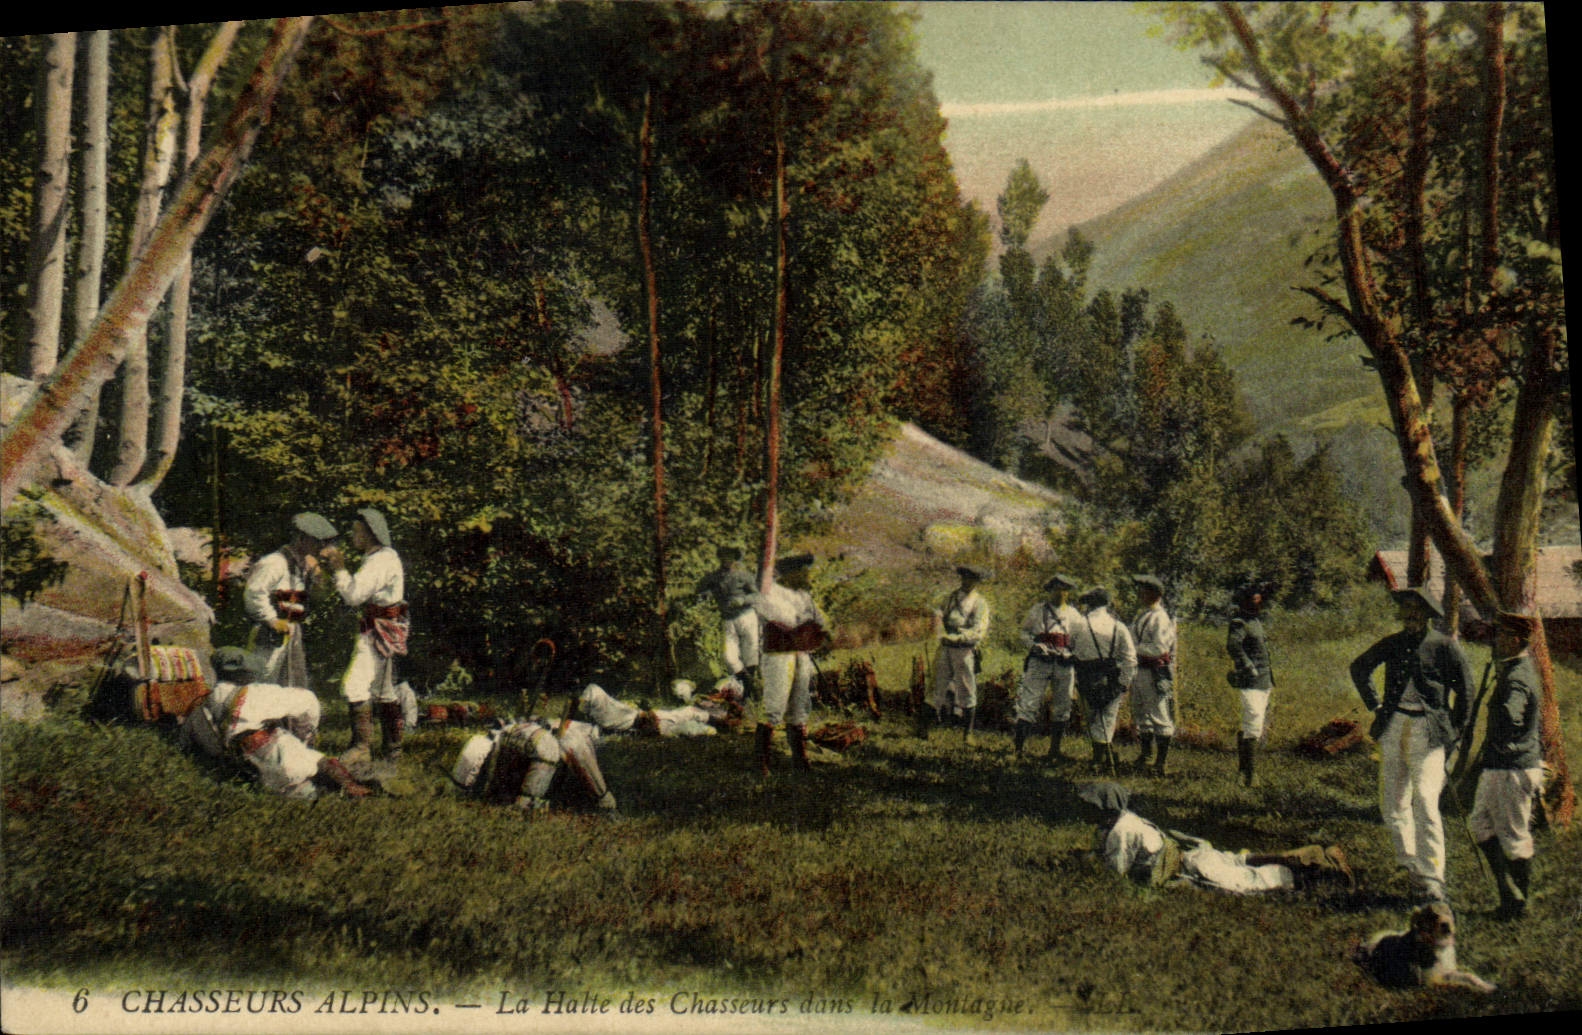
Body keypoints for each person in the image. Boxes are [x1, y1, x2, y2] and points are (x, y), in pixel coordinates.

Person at [1349, 586, 1473, 904]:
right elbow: (1359, 667)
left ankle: (1432, 878)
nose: (1410, 616)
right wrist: (1375, 705)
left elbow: (1467, 696)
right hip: (1393, 726)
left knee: (1427, 803)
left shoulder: (1445, 647)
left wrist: (1452, 734)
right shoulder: (1393, 643)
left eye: (1416, 611)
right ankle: (1410, 866)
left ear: (1429, 615)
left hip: (1428, 732)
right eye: (1405, 611)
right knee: (1392, 802)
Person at [1074, 781, 1353, 894]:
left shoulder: (1121, 832)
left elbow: (1114, 875)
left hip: (1192, 867)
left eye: (1089, 806)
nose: (1084, 810)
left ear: (1104, 808)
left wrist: (1083, 867)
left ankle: (1321, 872)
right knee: (1243, 861)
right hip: (1194, 854)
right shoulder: (1123, 822)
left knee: (1251, 884)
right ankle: (1314, 854)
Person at [182, 646, 371, 798]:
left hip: (242, 766)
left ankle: (308, 790)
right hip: (274, 754)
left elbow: (197, 744)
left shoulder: (203, 704)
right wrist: (306, 736)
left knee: (303, 788)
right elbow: (308, 700)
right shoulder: (256, 694)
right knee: (322, 764)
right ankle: (354, 790)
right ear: (245, 674)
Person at [1469, 611, 1545, 921]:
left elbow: (1511, 716)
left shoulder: (1516, 677)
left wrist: (1499, 745)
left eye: (1501, 635)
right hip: (1500, 766)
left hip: (1510, 769)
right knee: (1480, 824)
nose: (1495, 640)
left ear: (1515, 639)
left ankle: (1518, 905)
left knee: (1514, 838)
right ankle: (1507, 891)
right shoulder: (1516, 669)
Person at [321, 508, 410, 765]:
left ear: (370, 534)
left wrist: (338, 568)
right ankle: (393, 749)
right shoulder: (380, 558)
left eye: (356, 531)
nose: (351, 535)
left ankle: (362, 748)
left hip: (378, 630)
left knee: (354, 685)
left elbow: (353, 596)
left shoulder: (380, 561)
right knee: (383, 689)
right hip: (382, 626)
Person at [748, 552, 829, 774]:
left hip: (801, 654)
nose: (807, 576)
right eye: (803, 572)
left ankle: (800, 760)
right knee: (774, 705)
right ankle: (761, 761)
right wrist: (805, 626)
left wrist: (816, 632)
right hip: (779, 655)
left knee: (799, 705)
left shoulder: (804, 597)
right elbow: (785, 621)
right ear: (790, 574)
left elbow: (822, 623)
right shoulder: (771, 593)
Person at [243, 512, 338, 689]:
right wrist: (271, 619)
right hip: (268, 634)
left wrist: (318, 574)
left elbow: (320, 596)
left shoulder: (303, 565)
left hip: (291, 632)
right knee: (262, 683)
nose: (321, 547)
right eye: (317, 541)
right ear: (301, 538)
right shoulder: (275, 563)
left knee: (290, 684)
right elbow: (254, 594)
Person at [451, 716, 616, 815]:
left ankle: (604, 804)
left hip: (503, 752)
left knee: (560, 743)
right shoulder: (570, 742)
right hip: (511, 755)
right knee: (557, 744)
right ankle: (606, 805)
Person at [1015, 573, 1082, 761]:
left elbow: (1079, 641)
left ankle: (1055, 750)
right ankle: (1019, 749)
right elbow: (1023, 633)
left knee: (1063, 704)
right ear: (1050, 590)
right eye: (1056, 589)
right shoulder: (1037, 610)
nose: (1060, 593)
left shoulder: (1074, 615)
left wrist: (1069, 653)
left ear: (1068, 593)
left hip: (1063, 663)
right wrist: (1035, 646)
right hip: (1040, 661)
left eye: (1064, 590)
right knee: (1029, 701)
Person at [1071, 587, 1137, 775]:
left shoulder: (1079, 624)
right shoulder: (1119, 626)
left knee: (1092, 718)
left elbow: (1071, 650)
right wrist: (1123, 683)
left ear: (1089, 605)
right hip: (1110, 677)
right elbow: (1130, 659)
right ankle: (1102, 758)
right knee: (1107, 719)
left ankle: (1098, 759)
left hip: (1085, 677)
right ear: (1108, 605)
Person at [929, 564, 991, 743]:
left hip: (964, 649)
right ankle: (924, 727)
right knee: (937, 684)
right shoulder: (951, 597)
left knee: (967, 688)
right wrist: (940, 628)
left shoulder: (980, 603)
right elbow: (939, 614)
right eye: (964, 577)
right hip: (946, 646)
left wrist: (959, 637)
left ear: (976, 581)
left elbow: (979, 629)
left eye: (971, 578)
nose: (967, 581)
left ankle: (968, 734)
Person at [1226, 580, 1276, 787]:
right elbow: (1233, 646)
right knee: (1252, 722)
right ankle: (1250, 773)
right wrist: (1247, 666)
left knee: (1256, 723)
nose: (1258, 604)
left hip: (1265, 679)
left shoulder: (1256, 622)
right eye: (1253, 600)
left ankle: (1245, 771)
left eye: (1259, 600)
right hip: (1250, 680)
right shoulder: (1240, 622)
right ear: (1245, 602)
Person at [696, 545, 761, 699]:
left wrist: (742, 599)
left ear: (735, 559)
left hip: (746, 617)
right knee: (729, 657)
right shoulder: (713, 577)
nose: (727, 560)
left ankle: (746, 695)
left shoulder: (743, 576)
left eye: (730, 556)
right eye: (724, 556)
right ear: (720, 558)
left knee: (750, 655)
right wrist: (705, 595)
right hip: (728, 620)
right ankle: (750, 685)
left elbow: (757, 596)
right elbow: (700, 591)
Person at [1128, 574, 1178, 776]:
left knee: (1159, 713)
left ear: (1154, 594)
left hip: (1154, 671)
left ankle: (1161, 762)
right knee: (1141, 712)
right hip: (1139, 670)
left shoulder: (1160, 618)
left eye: (1144, 590)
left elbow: (1159, 648)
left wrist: (1133, 649)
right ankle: (1146, 754)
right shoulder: (1143, 615)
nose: (1140, 593)